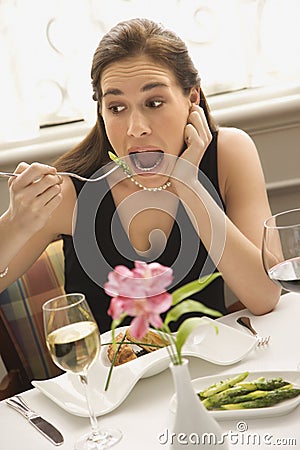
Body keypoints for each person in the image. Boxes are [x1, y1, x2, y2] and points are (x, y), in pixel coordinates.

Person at [0, 18, 280, 332]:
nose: (136, 129)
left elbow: (266, 295)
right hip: (115, 379)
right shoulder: (70, 190)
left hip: (216, 375)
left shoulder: (229, 154)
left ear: (192, 98)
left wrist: (188, 183)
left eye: (154, 102)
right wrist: (15, 222)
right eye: (117, 107)